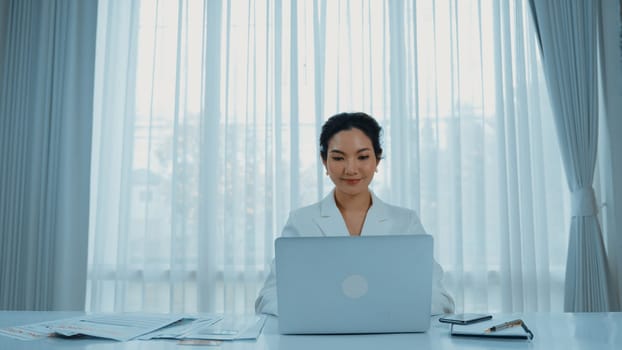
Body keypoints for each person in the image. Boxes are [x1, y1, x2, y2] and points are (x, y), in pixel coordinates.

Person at [255, 112, 455, 315]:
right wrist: (323, 312)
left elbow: (439, 297)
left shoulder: (405, 222)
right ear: (324, 162)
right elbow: (269, 297)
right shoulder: (301, 222)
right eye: (339, 158)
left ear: (377, 160)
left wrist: (385, 312)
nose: (351, 169)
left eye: (362, 157)